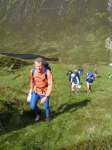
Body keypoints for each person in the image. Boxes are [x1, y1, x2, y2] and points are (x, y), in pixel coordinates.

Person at [29, 57, 53, 122]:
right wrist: (31, 90)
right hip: (36, 91)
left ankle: (48, 117)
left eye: (40, 66)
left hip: (44, 92)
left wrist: (46, 96)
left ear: (43, 65)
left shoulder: (47, 72)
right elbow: (32, 81)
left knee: (46, 107)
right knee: (32, 106)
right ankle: (38, 113)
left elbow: (50, 84)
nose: (39, 68)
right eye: (37, 66)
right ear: (34, 65)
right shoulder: (32, 71)